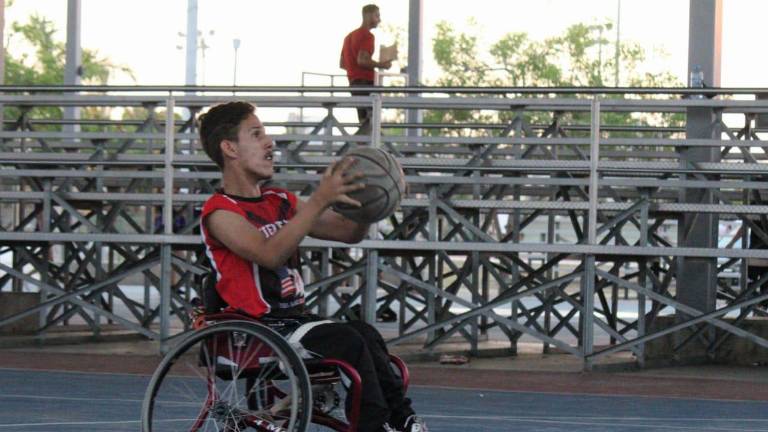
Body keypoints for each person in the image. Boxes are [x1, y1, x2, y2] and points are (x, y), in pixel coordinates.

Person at [198, 101, 428, 432]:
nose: (269, 142)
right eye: (257, 134)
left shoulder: (279, 201)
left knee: (366, 334)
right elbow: (269, 253)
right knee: (349, 342)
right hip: (258, 329)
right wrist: (319, 199)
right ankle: (373, 426)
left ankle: (403, 419)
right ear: (229, 148)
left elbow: (347, 233)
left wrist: (370, 203)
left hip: (294, 323)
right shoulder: (220, 212)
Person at [340, 4, 392, 131]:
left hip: (354, 84)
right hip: (366, 84)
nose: (379, 19)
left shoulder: (349, 37)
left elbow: (342, 64)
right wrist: (382, 65)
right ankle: (368, 146)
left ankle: (362, 146)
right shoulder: (367, 36)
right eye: (377, 15)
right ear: (368, 15)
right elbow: (362, 60)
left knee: (364, 121)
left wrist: (354, 71)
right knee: (372, 122)